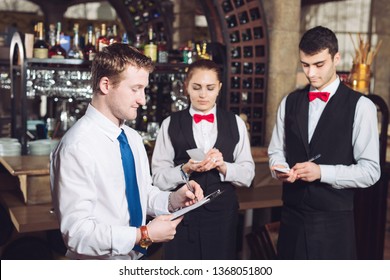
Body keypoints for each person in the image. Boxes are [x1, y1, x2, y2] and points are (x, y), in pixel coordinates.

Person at [50, 43, 203, 260]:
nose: (142, 99)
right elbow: (78, 234)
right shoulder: (77, 147)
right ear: (106, 85)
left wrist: (172, 200)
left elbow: (142, 194)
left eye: (144, 89)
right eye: (135, 89)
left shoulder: (131, 138)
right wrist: (145, 233)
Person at [268, 26, 380, 259]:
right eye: (305, 65)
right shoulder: (289, 102)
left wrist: (322, 172)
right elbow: (276, 151)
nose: (311, 73)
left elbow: (370, 171)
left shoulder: (361, 107)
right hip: (291, 220)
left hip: (334, 223)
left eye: (319, 65)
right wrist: (278, 169)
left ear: (336, 58)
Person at [151, 59, 255, 259]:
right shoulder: (170, 124)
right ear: (186, 87)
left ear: (219, 88)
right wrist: (186, 169)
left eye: (210, 88)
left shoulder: (236, 123)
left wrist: (224, 166)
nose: (203, 94)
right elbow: (158, 178)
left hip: (222, 216)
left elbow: (248, 176)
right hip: (182, 216)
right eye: (197, 87)